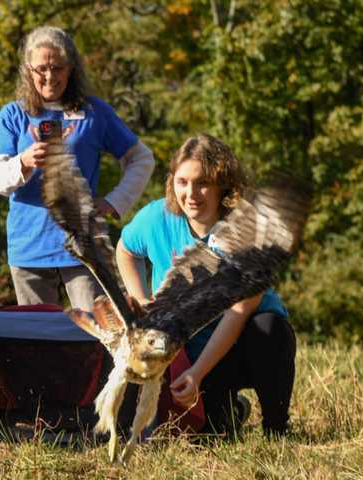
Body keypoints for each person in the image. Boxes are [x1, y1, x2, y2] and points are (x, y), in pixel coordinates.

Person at [116, 133, 296, 436]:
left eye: (203, 183)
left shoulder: (248, 231)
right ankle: (231, 410)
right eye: (182, 181)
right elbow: (126, 250)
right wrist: (141, 299)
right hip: (184, 349)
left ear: (223, 185)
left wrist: (197, 374)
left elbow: (239, 312)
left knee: (269, 329)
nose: (191, 193)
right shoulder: (155, 217)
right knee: (211, 434)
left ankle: (276, 429)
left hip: (243, 343)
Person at [0, 25, 154, 311]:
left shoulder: (94, 113)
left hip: (84, 247)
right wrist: (23, 162)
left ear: (71, 68)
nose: (49, 76)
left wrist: (113, 202)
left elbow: (142, 158)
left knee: (94, 336)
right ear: (28, 69)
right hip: (28, 248)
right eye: (41, 68)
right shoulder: (13, 114)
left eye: (57, 67)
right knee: (38, 338)